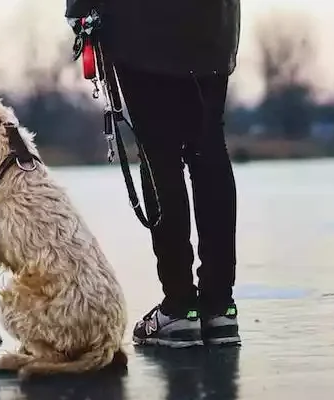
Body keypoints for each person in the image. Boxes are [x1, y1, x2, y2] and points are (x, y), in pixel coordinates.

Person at [66, 0, 242, 347]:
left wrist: (79, 9)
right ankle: (219, 305)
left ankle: (179, 307)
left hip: (141, 24)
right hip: (213, 21)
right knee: (208, 147)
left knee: (159, 152)